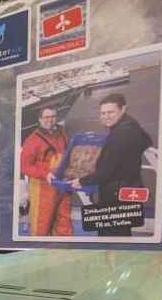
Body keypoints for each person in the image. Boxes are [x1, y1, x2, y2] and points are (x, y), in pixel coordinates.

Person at [72, 93, 153, 237]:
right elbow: (148, 141)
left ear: (122, 109)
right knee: (122, 234)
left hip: (115, 194)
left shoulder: (120, 133)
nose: (106, 116)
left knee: (109, 237)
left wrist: (81, 181)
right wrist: (130, 157)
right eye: (103, 113)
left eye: (110, 112)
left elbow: (106, 171)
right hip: (130, 188)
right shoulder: (131, 123)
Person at [20, 106, 71, 236]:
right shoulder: (32, 140)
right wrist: (45, 174)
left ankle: (63, 252)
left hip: (63, 186)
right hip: (42, 190)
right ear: (40, 119)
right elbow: (24, 166)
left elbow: (69, 153)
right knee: (41, 226)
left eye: (53, 116)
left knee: (64, 222)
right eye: (46, 117)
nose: (50, 120)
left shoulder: (63, 133)